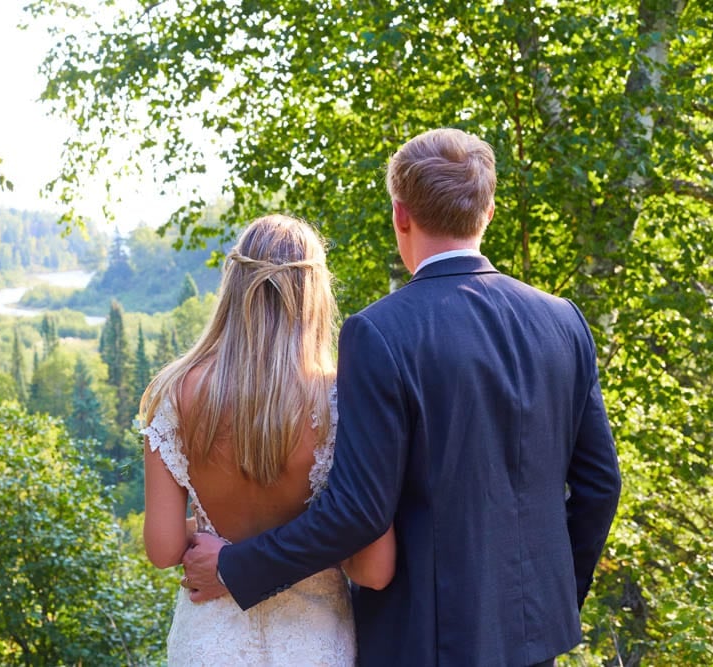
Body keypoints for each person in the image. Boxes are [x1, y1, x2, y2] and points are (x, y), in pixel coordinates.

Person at [182, 129, 622, 667]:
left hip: (423, 644)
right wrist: (553, 602)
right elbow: (600, 485)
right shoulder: (563, 321)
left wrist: (237, 567)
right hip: (534, 639)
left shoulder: (380, 333)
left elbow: (358, 512)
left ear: (400, 215)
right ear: (487, 213)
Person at [139, 214, 395, 666]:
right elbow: (374, 569)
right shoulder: (342, 399)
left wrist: (218, 543)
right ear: (315, 292)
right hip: (313, 643)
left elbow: (162, 549)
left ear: (234, 286)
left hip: (209, 642)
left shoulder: (175, 391)